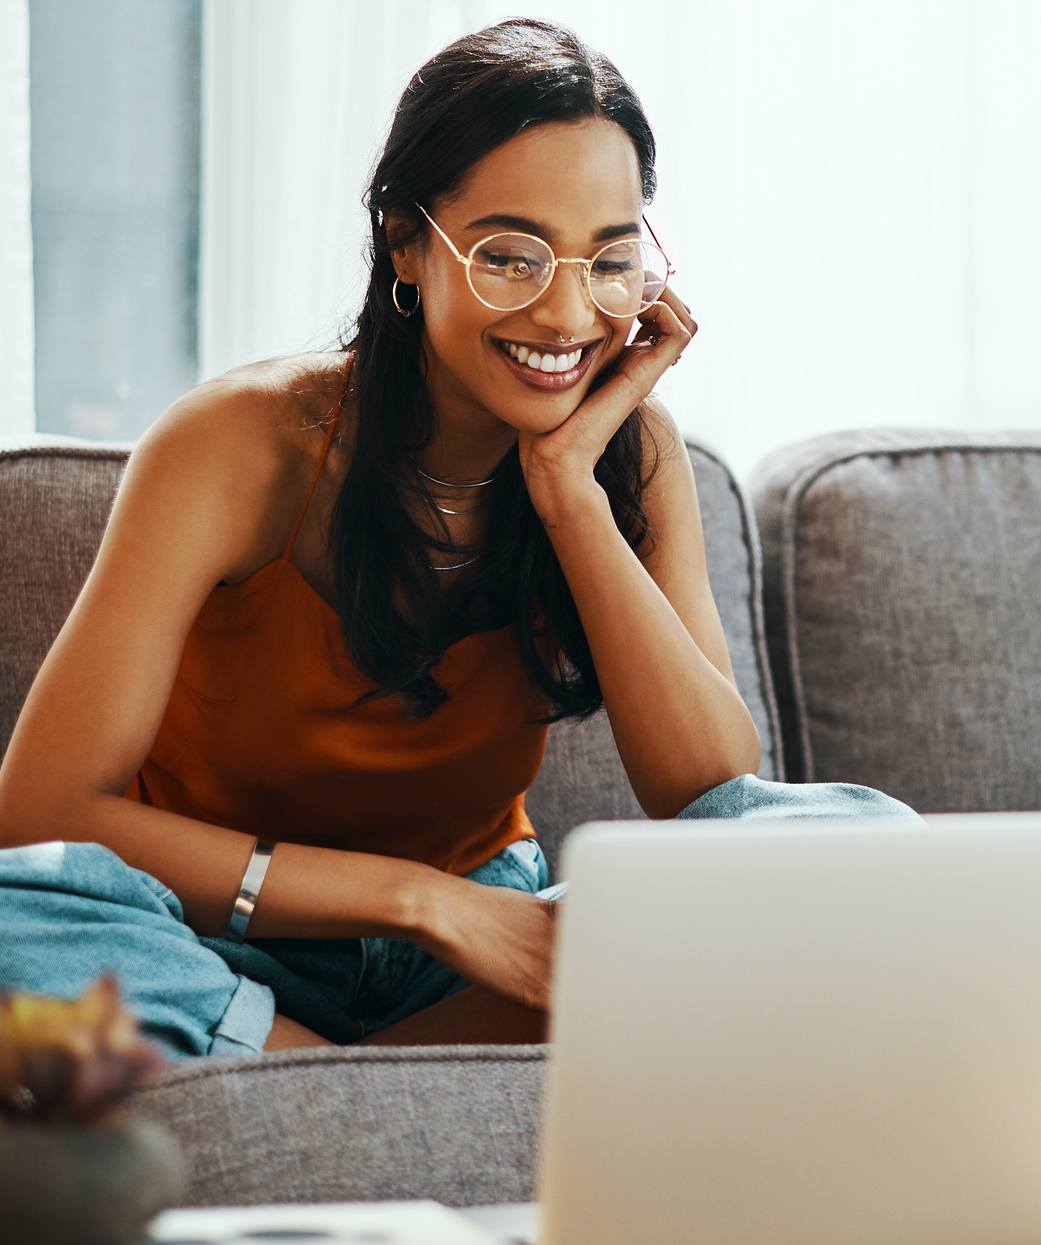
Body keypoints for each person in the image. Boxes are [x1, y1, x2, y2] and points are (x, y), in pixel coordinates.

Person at [0, 20, 916, 1059]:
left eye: (610, 260)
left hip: (487, 955)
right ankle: (349, 1070)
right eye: (511, 256)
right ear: (405, 238)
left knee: (855, 846)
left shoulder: (630, 453)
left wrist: (569, 488)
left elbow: (710, 785)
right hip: (223, 939)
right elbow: (41, 809)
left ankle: (308, 1076)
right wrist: (424, 902)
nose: (568, 312)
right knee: (12, 915)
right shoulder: (238, 447)